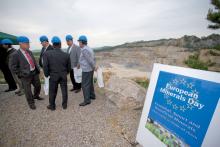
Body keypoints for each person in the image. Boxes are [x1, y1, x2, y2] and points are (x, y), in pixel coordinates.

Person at [10, 36, 44, 110]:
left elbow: (34, 61)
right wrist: (20, 74)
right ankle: (31, 103)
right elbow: (13, 67)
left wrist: (39, 70)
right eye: (26, 43)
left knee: (38, 86)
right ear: (20, 44)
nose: (28, 45)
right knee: (27, 90)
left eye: (28, 43)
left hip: (34, 73)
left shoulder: (29, 52)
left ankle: (36, 95)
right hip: (25, 76)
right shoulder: (15, 54)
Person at [43, 36, 71, 110]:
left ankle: (52, 106)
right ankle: (64, 105)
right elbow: (69, 67)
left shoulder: (47, 54)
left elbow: (45, 66)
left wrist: (47, 74)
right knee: (64, 90)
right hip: (63, 75)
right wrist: (65, 73)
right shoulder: (66, 55)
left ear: (52, 44)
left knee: (52, 91)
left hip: (53, 75)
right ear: (60, 44)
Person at [77, 35, 96, 106]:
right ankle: (92, 95)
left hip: (87, 70)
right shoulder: (88, 48)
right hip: (90, 69)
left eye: (79, 42)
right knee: (90, 83)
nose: (79, 43)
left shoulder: (84, 50)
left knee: (84, 85)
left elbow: (90, 60)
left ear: (82, 42)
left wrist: (94, 67)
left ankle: (87, 100)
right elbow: (92, 58)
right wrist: (79, 64)